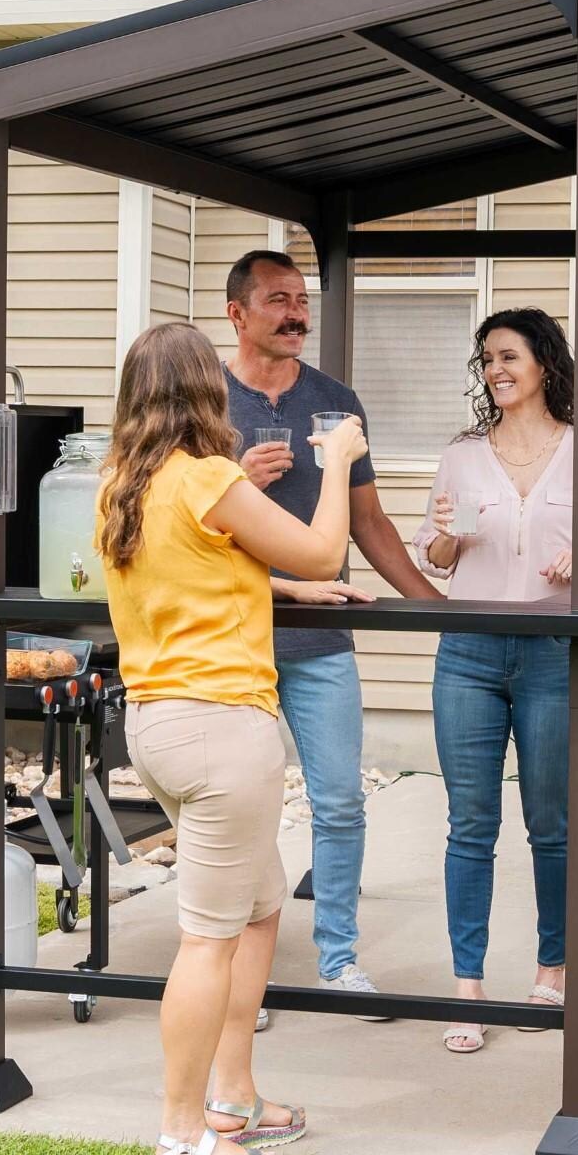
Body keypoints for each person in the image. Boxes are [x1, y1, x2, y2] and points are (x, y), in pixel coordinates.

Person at [97, 321, 369, 1155]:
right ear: (203, 393)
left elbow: (203, 565)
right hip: (223, 727)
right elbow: (327, 541)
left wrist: (286, 585)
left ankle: (232, 1098)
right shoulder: (208, 477)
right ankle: (181, 1137)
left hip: (158, 724)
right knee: (207, 938)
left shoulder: (124, 487)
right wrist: (336, 462)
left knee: (257, 907)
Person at [223, 249, 443, 1019]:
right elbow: (179, 524)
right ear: (237, 314)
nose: (296, 313)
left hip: (320, 644)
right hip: (232, 640)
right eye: (278, 300)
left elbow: (373, 522)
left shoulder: (336, 401)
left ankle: (340, 960)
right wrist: (239, 482)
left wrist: (432, 608)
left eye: (302, 300)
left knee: (341, 801)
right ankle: (238, 975)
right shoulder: (203, 401)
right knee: (241, 809)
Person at [414, 308, 578, 1053]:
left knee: (554, 825)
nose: (495, 370)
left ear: (544, 362)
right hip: (470, 652)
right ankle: (467, 988)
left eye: (508, 356)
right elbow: (437, 559)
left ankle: (554, 967)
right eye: (486, 360)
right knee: (471, 825)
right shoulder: (462, 455)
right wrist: (447, 533)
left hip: (553, 650)